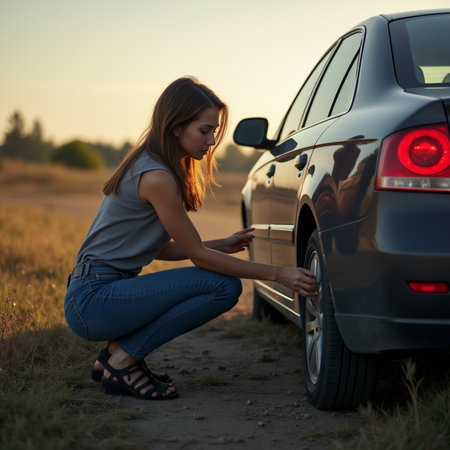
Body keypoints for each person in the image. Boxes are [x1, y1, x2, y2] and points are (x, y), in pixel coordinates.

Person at [64, 76, 318, 401]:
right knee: (223, 287)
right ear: (176, 127)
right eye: (205, 130)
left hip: (94, 292)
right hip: (94, 298)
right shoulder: (156, 177)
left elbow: (161, 250)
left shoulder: (152, 166)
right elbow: (197, 257)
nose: (211, 140)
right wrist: (280, 274)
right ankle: (122, 361)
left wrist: (220, 245)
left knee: (214, 281)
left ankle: (113, 358)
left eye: (213, 131)